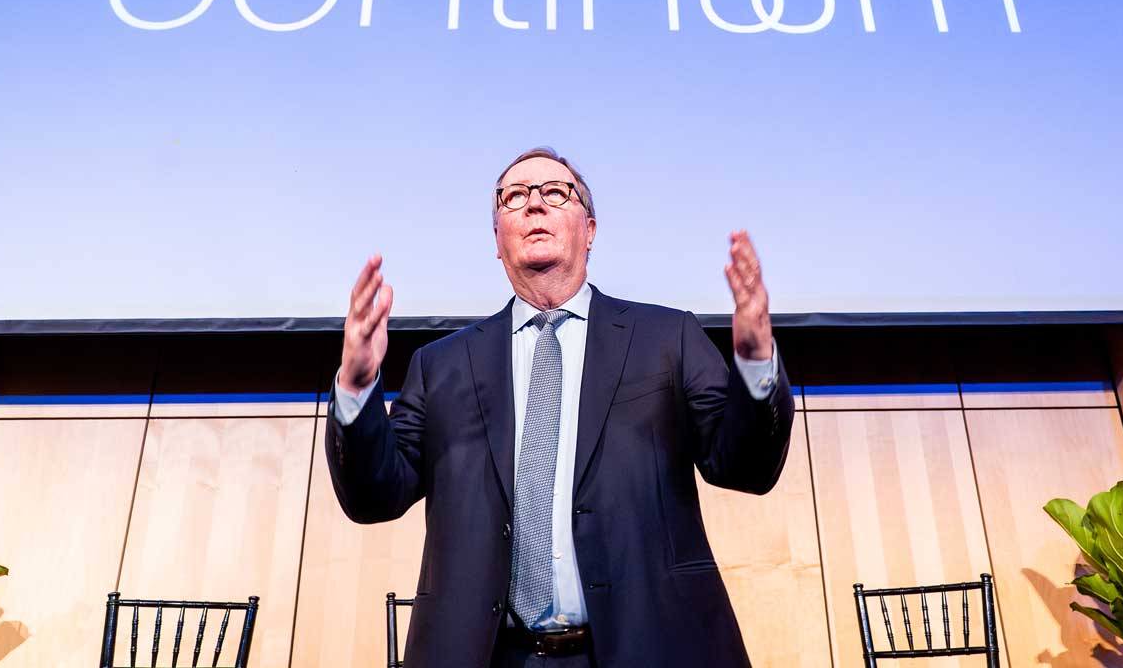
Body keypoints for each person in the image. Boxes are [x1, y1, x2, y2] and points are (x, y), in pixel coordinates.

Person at [326, 147, 794, 668]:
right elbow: (373, 496)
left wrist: (755, 363)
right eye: (514, 198)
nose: (533, 207)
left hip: (652, 646)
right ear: (496, 241)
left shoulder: (667, 337)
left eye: (554, 193)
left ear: (590, 230)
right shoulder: (443, 365)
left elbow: (746, 466)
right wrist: (357, 384)